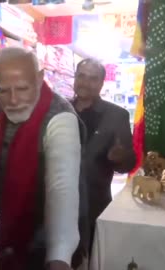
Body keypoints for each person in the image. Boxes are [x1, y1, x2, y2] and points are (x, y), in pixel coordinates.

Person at [0, 47, 81, 270]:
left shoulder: (60, 117)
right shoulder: (6, 106)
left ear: (39, 79)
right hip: (10, 229)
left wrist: (60, 254)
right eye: (3, 90)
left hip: (44, 242)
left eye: (22, 89)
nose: (13, 99)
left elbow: (62, 186)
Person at [72, 58, 136, 259]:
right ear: (74, 78)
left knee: (92, 256)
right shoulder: (59, 108)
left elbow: (129, 163)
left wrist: (120, 157)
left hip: (94, 203)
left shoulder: (117, 116)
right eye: (81, 76)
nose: (85, 82)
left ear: (101, 83)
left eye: (93, 78)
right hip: (57, 200)